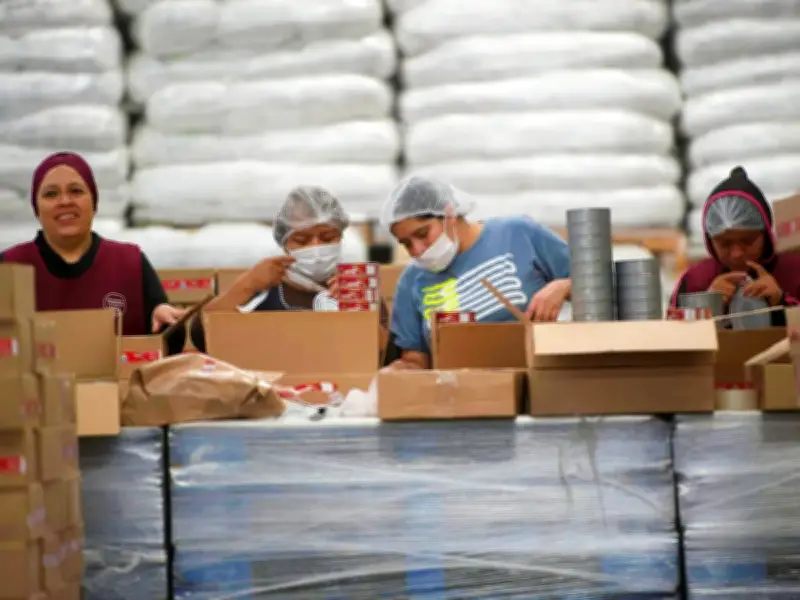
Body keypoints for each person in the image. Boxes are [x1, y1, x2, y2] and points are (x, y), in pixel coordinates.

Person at [0, 151, 186, 354]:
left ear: (94, 203)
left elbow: (169, 342)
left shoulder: (129, 263)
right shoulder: (9, 267)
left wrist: (167, 323)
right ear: (36, 208)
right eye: (51, 194)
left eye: (76, 191)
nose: (65, 201)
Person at [382, 175, 572, 370]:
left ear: (449, 214)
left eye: (422, 234)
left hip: (542, 375)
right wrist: (398, 372)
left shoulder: (519, 233)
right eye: (406, 244)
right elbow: (415, 358)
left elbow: (589, 281)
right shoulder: (411, 281)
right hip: (467, 386)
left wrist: (562, 286)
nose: (417, 250)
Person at [190, 186, 391, 353]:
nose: (316, 247)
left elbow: (385, 353)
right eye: (302, 240)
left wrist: (355, 307)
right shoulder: (264, 291)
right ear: (285, 245)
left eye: (327, 238)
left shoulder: (359, 288)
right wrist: (247, 285)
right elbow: (203, 337)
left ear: (340, 238)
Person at [670, 166, 800, 326]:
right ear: (710, 240)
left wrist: (782, 302)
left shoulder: (794, 273)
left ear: (766, 234)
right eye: (724, 244)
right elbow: (669, 332)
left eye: (748, 241)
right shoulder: (696, 280)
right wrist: (707, 306)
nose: (737, 254)